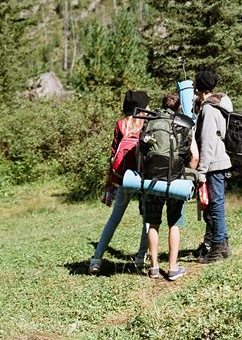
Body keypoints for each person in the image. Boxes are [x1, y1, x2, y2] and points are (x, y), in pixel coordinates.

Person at [89, 90, 150, 275]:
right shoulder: (147, 123)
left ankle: (96, 259)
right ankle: (140, 259)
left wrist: (110, 182)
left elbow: (113, 154)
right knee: (148, 219)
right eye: (146, 105)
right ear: (140, 106)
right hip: (145, 177)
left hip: (125, 178)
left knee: (114, 218)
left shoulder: (121, 124)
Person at [141, 92, 199, 281]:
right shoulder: (184, 124)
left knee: (153, 223)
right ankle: (173, 268)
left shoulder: (151, 122)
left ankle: (154, 268)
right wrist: (188, 174)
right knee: (174, 223)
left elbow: (139, 151)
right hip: (175, 180)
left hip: (152, 181)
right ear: (178, 108)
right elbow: (195, 157)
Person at [194, 68, 233, 264]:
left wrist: (201, 171)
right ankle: (224, 247)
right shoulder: (219, 105)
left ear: (199, 88)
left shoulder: (209, 109)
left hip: (214, 164)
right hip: (220, 162)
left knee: (215, 206)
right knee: (216, 206)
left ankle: (217, 249)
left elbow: (207, 142)